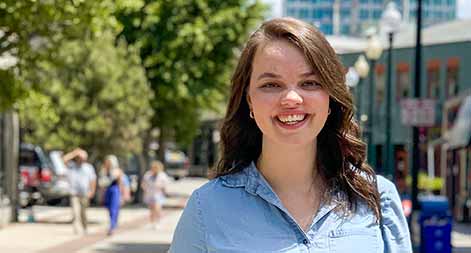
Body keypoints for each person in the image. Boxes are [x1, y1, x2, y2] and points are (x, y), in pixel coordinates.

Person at [169, 17, 412, 252]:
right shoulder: (207, 208)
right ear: (249, 101)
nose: (291, 99)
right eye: (271, 85)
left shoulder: (378, 199)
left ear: (330, 99)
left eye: (310, 83)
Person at [62, 148, 96, 235]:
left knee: (83, 213)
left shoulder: (88, 167)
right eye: (79, 157)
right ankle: (76, 229)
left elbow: (93, 180)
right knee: (75, 212)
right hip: (74, 193)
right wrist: (74, 153)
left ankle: (85, 228)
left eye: (82, 158)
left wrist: (92, 191)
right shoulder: (72, 166)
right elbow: (64, 159)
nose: (81, 159)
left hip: (85, 193)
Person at [141, 160, 170, 229]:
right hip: (150, 194)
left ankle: (158, 221)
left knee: (157, 208)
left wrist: (165, 192)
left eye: (156, 168)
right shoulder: (148, 174)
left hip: (158, 194)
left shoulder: (162, 175)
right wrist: (145, 189)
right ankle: (152, 222)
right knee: (151, 209)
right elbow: (143, 183)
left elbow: (165, 185)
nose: (154, 169)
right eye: (153, 167)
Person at [101, 155, 125, 235]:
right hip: (107, 190)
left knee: (114, 208)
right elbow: (102, 182)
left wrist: (122, 195)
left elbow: (120, 183)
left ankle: (112, 226)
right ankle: (113, 224)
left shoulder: (117, 171)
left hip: (115, 190)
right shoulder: (104, 170)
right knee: (109, 208)